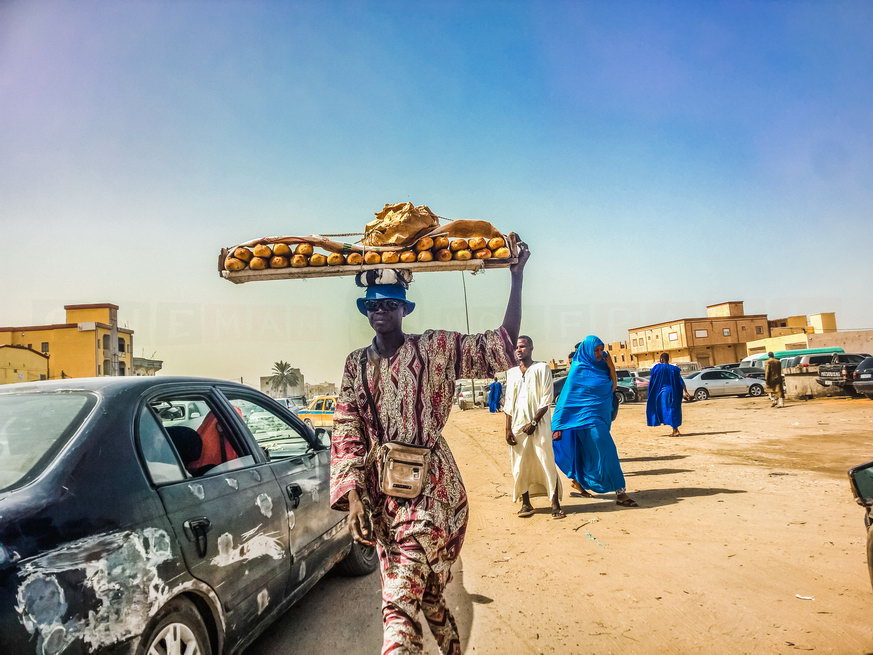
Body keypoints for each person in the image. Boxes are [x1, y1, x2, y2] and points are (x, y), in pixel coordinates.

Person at [330, 241, 529, 655]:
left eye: (389, 303)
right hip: (382, 495)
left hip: (432, 492)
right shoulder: (355, 364)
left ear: (405, 309)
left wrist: (516, 276)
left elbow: (501, 344)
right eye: (372, 305)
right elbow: (346, 428)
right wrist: (353, 497)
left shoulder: (436, 349)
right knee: (428, 593)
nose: (379, 311)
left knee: (398, 601)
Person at [551, 335, 638, 507]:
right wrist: (558, 425)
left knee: (604, 452)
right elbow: (567, 398)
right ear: (587, 351)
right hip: (581, 421)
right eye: (595, 350)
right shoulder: (578, 368)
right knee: (595, 451)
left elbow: (612, 387)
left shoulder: (603, 367)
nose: (599, 353)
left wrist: (611, 366)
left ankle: (612, 490)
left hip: (599, 417)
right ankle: (620, 492)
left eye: (601, 350)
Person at [503, 336, 564, 519]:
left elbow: (546, 398)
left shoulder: (542, 368)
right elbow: (508, 402)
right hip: (517, 425)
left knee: (545, 459)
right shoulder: (512, 373)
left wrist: (535, 422)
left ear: (531, 348)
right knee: (520, 464)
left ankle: (555, 503)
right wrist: (507, 429)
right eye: (516, 347)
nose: (519, 350)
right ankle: (526, 503)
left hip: (540, 424)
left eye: (522, 346)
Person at [646, 352, 692, 436]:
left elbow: (652, 380)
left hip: (663, 393)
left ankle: (675, 429)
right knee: (672, 409)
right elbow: (680, 381)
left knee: (662, 409)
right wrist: (686, 391)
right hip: (673, 392)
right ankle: (675, 428)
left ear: (661, 359)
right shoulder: (674, 369)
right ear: (668, 359)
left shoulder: (657, 368)